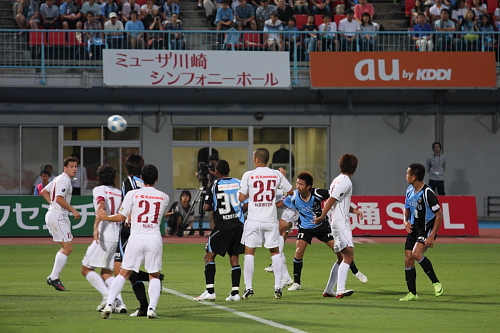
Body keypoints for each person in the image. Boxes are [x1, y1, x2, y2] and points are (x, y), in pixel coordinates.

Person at [99, 164, 169, 319]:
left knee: (124, 273)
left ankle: (110, 304)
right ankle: (151, 308)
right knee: (154, 275)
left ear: (142, 178)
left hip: (136, 237)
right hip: (154, 238)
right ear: (157, 179)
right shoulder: (164, 196)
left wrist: (105, 217)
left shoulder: (132, 194)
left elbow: (121, 217)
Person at [238, 148, 294, 300]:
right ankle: (277, 287)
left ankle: (249, 288)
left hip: (254, 220)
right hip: (270, 219)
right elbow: (291, 192)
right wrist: (282, 178)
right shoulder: (276, 174)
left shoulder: (248, 175)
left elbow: (241, 197)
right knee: (275, 253)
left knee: (249, 254)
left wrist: (249, 192)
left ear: (256, 160)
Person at [194, 160, 248, 301]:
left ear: (216, 172)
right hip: (238, 226)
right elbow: (246, 203)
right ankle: (235, 293)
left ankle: (210, 290)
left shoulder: (215, 185)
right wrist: (237, 212)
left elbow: (206, 207)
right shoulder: (238, 182)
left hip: (222, 227)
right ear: (229, 170)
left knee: (209, 256)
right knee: (234, 258)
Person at [115, 153, 158, 318]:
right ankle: (147, 295)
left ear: (126, 168)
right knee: (120, 266)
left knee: (124, 269)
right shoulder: (144, 182)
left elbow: (131, 201)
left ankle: (144, 304)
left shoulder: (129, 182)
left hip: (130, 230)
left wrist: (126, 216)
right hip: (147, 228)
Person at [314, 154, 363, 299]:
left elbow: (338, 201)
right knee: (349, 256)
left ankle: (329, 289)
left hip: (336, 222)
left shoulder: (336, 180)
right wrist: (322, 216)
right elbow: (331, 200)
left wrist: (354, 210)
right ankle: (341, 289)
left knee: (341, 258)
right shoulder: (345, 181)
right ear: (354, 167)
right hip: (341, 224)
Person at [81, 165, 126, 313]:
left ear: (99, 177)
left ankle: (108, 296)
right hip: (117, 235)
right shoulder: (120, 193)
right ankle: (120, 304)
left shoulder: (98, 190)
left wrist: (95, 226)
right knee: (106, 272)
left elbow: (101, 205)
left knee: (86, 268)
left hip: (104, 235)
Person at [400, 163, 443, 301]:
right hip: (414, 228)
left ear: (414, 177)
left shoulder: (427, 193)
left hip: (426, 229)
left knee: (416, 253)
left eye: (407, 174)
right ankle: (412, 293)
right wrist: (405, 221)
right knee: (408, 260)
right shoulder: (409, 190)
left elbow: (439, 215)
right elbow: (406, 207)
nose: (406, 176)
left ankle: (436, 283)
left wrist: (431, 236)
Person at [41, 157, 81, 291]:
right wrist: (73, 210)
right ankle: (53, 277)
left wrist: (52, 204)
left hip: (55, 215)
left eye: (76, 166)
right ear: (65, 168)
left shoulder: (58, 178)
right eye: (71, 166)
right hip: (58, 217)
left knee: (66, 247)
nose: (74, 169)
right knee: (68, 247)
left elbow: (44, 191)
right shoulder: (64, 180)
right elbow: (58, 198)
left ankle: (53, 276)